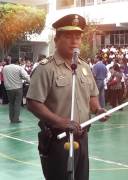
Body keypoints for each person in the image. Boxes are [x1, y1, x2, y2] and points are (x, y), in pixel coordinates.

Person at [26, 14, 108, 180]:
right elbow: (33, 102)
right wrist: (59, 121)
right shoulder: (46, 68)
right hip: (58, 140)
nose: (74, 41)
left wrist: (98, 109)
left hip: (82, 136)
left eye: (77, 37)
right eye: (68, 36)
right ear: (56, 40)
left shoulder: (84, 67)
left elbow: (92, 95)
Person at [2, 58, 30, 123]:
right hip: (18, 88)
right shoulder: (19, 67)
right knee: (17, 104)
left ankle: (11, 119)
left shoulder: (5, 68)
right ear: (17, 62)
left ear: (11, 61)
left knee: (11, 104)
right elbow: (26, 76)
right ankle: (16, 119)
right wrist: (30, 82)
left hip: (8, 88)